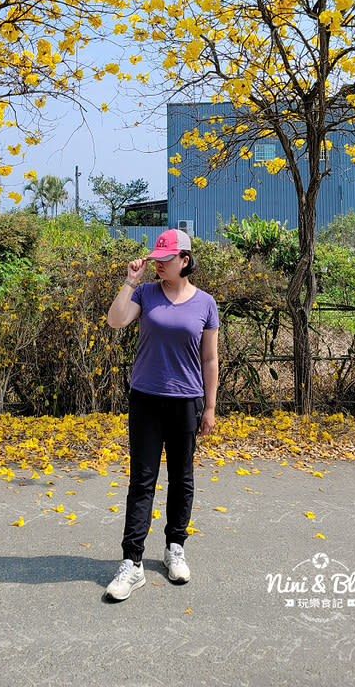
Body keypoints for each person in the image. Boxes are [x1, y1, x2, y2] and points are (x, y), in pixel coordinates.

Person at [104, 228, 219, 602]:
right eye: (156, 260)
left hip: (187, 401)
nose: (159, 266)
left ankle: (174, 547)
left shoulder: (205, 303)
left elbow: (209, 359)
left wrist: (211, 406)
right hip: (146, 399)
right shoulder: (145, 293)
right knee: (142, 480)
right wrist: (129, 280)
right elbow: (116, 321)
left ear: (185, 261)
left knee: (182, 478)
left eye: (166, 260)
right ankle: (132, 562)